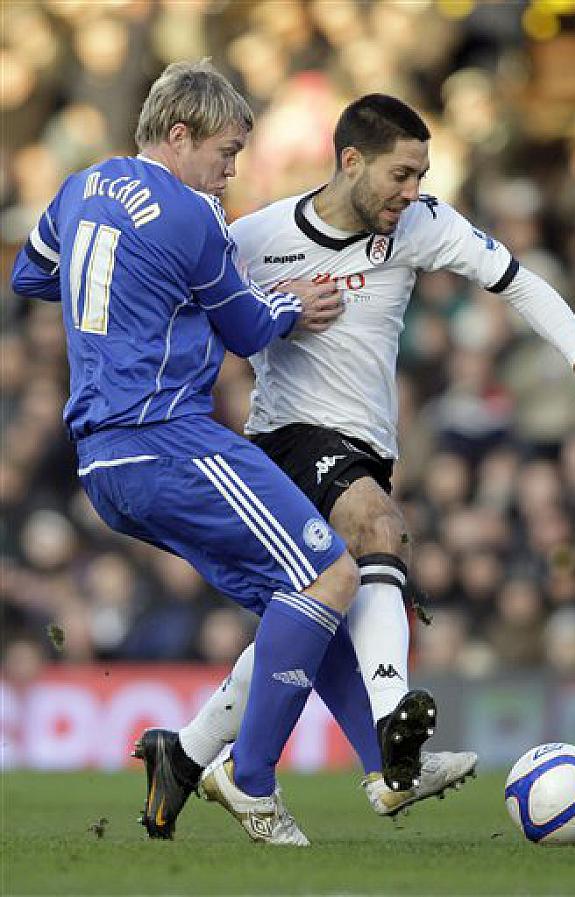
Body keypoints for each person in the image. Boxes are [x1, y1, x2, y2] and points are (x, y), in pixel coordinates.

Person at [151, 93, 575, 832]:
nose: (412, 191)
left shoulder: (420, 226)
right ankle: (390, 741)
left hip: (367, 449)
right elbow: (187, 309)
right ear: (351, 161)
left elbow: (514, 279)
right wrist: (269, 312)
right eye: (401, 174)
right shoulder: (254, 237)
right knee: (381, 529)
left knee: (315, 621)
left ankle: (187, 753)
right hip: (286, 439)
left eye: (421, 176)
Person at [9, 62, 405, 848]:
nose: (231, 172)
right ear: (179, 134)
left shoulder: (80, 187)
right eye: (226, 153)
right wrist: (291, 301)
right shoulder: (189, 212)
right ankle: (249, 778)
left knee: (303, 599)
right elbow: (249, 329)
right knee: (331, 574)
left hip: (102, 461)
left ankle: (370, 764)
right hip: (164, 435)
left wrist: (124, 295)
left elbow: (30, 274)